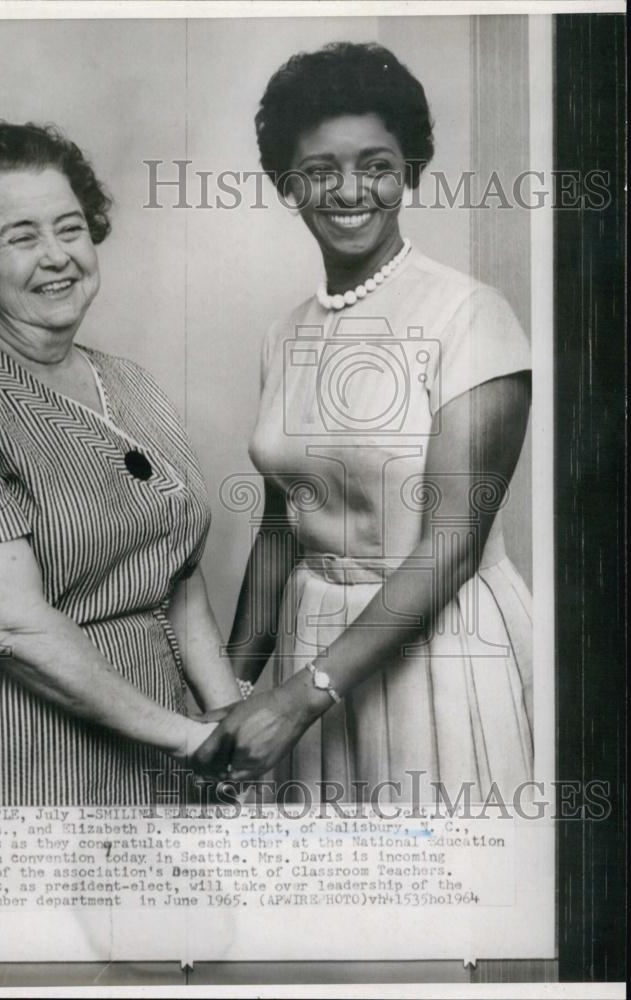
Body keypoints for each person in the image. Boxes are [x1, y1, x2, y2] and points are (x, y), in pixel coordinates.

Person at [193, 42, 533, 802]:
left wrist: (298, 697)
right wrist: (233, 684)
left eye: (375, 163)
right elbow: (281, 529)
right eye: (318, 169)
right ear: (288, 183)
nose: (349, 190)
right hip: (309, 644)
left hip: (437, 651)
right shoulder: (284, 333)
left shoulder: (469, 315)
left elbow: (451, 544)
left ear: (408, 168)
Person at [0, 121, 238, 806]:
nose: (57, 256)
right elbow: (5, 620)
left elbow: (177, 571)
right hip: (3, 744)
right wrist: (187, 739)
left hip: (151, 738)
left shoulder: (132, 384)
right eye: (22, 237)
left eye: (69, 229)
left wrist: (226, 723)